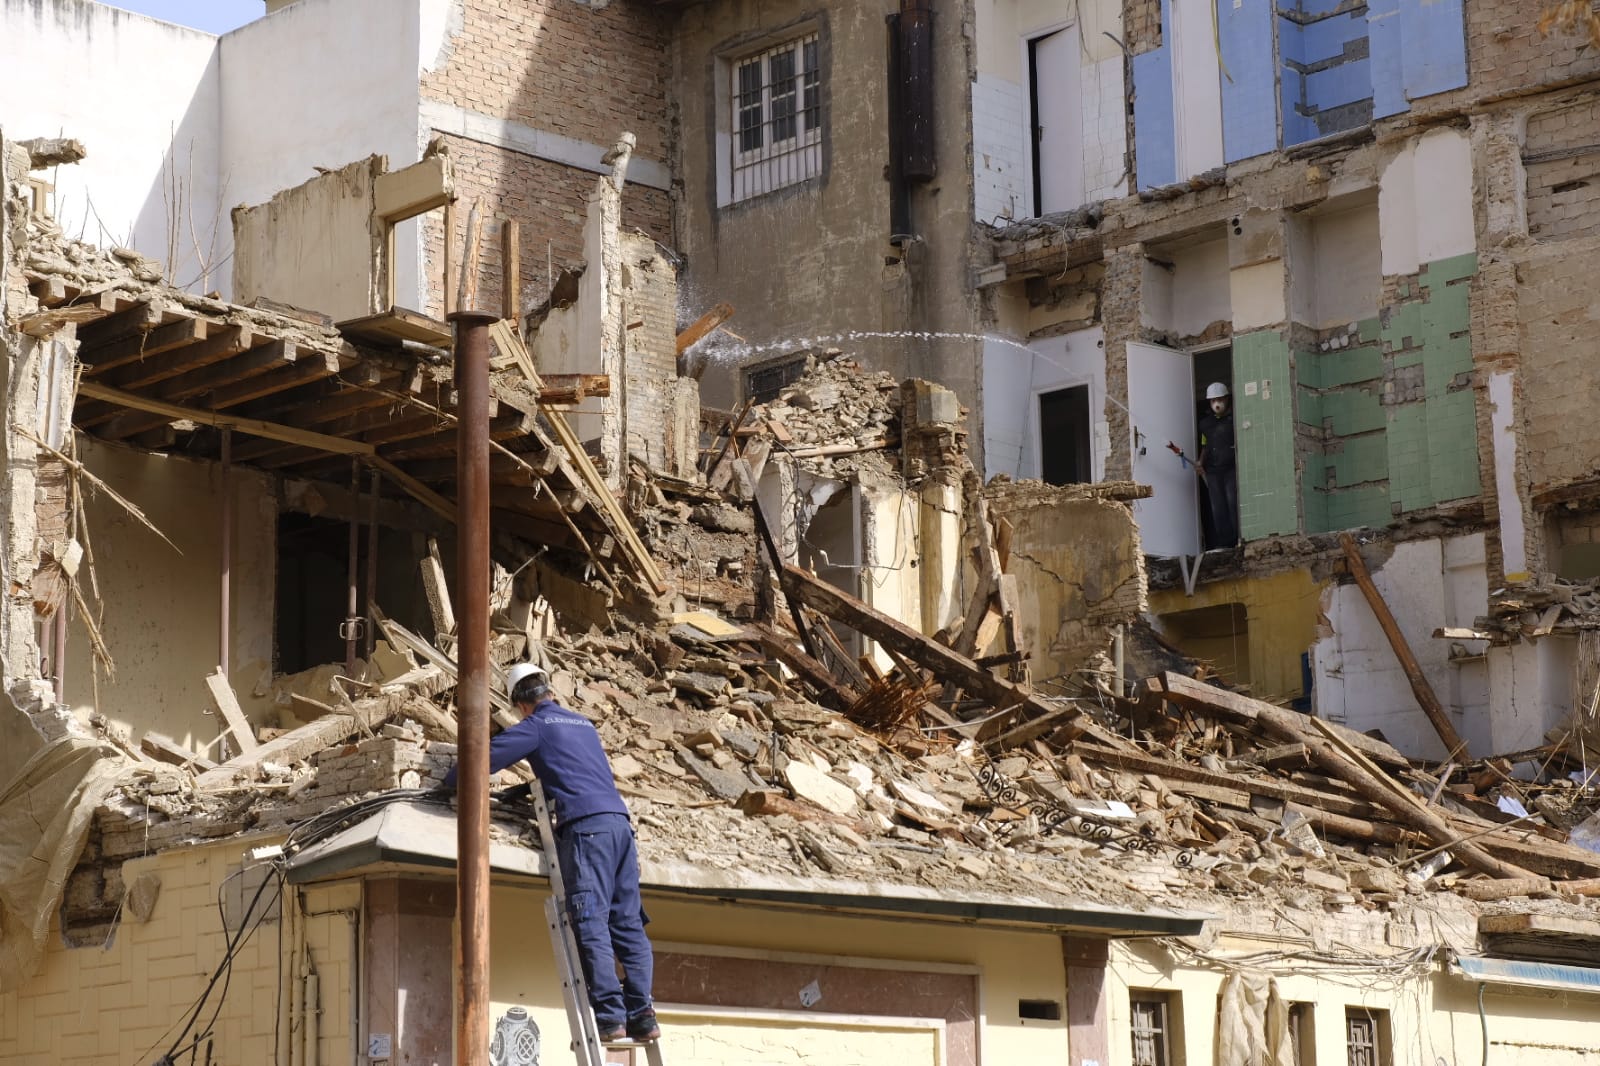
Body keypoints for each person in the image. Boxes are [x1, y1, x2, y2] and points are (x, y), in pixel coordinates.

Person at [445, 663, 658, 1043]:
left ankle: (611, 1019)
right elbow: (574, 770)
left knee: (591, 920)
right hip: (620, 827)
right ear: (548, 692)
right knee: (626, 922)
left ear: (521, 705)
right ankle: (642, 1014)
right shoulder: (584, 724)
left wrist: (448, 780)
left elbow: (484, 759)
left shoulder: (536, 726)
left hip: (586, 830)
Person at [1197, 381, 1238, 549]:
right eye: (1213, 400)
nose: (1217, 404)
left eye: (1219, 399)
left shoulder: (1234, 419)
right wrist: (1200, 462)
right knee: (1218, 508)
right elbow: (1205, 445)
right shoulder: (1205, 424)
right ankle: (1225, 544)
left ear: (1227, 399)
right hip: (1213, 471)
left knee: (1232, 503)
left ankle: (1238, 539)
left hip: (1230, 468)